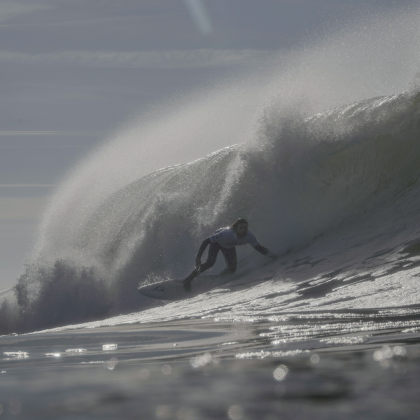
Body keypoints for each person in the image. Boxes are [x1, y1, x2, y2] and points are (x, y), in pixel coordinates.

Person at [183, 218, 275, 291]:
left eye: (245, 228)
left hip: (229, 246)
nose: (243, 230)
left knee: (232, 269)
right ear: (236, 229)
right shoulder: (226, 234)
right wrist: (198, 257)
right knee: (210, 262)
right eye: (241, 228)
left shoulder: (249, 237)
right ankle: (188, 280)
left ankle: (220, 278)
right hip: (217, 243)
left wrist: (272, 256)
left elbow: (259, 248)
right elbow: (206, 241)